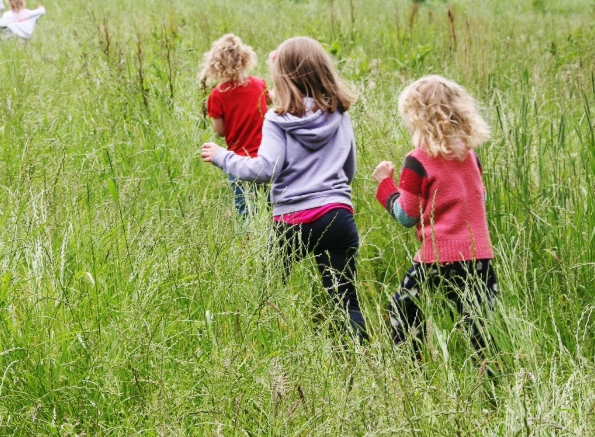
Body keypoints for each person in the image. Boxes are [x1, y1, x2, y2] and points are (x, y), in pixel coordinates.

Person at [201, 37, 366, 341]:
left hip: (293, 222)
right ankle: (364, 359)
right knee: (346, 301)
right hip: (339, 215)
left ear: (283, 76)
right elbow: (349, 169)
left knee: (267, 293)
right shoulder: (339, 112)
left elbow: (265, 170)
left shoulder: (278, 119)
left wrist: (223, 157)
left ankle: (260, 345)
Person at [372, 75, 498, 361]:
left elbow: (406, 215)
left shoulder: (417, 160)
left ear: (417, 119)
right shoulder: (470, 156)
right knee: (480, 329)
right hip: (480, 258)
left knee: (403, 311)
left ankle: (412, 373)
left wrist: (385, 185)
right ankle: (492, 384)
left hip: (438, 259)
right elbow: (481, 198)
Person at [197, 34, 268, 226]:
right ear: (245, 59)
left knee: (247, 214)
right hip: (268, 159)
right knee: (272, 211)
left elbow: (220, 131)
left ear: (214, 64)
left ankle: (250, 250)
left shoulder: (217, 95)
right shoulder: (259, 84)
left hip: (238, 162)